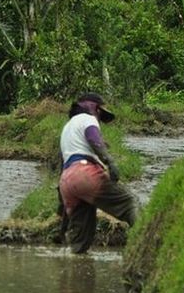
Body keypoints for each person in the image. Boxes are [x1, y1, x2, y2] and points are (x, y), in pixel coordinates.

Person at [58, 92, 137, 254]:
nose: (100, 118)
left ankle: (76, 266)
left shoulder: (67, 128)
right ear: (96, 109)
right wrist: (110, 162)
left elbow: (62, 168)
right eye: (100, 113)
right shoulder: (88, 119)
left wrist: (62, 213)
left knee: (81, 239)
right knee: (129, 203)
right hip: (85, 173)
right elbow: (94, 139)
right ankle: (146, 244)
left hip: (67, 182)